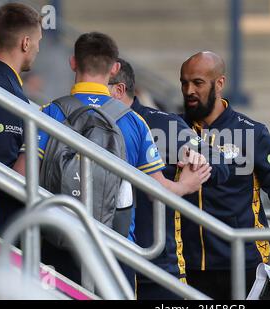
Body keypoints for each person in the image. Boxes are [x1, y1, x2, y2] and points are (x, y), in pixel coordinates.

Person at [14, 33, 211, 290]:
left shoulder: (49, 113)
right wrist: (186, 184)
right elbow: (156, 190)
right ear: (115, 68)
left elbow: (20, 176)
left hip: (59, 244)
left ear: (73, 63)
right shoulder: (135, 122)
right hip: (116, 249)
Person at [179, 52, 270, 299]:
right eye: (184, 82)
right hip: (187, 267)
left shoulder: (253, 133)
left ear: (220, 83)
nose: (189, 90)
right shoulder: (174, 130)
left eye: (198, 83)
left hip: (244, 265)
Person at [108, 58, 229, 299]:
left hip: (157, 265)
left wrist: (199, 160)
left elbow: (221, 164)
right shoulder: (82, 120)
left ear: (118, 90)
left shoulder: (163, 124)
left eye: (97, 86)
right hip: (101, 257)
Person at [0, 3, 42, 235]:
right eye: (38, 42)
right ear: (25, 42)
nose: (38, 49)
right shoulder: (7, 96)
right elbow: (3, 177)